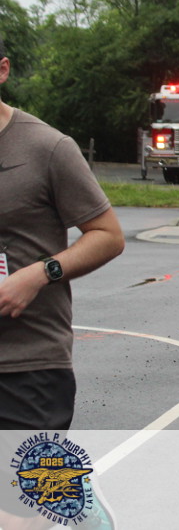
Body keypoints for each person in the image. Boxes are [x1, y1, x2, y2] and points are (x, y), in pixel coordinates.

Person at [0, 35, 125, 528]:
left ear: (3, 70)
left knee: (20, 516)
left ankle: (80, 508)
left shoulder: (47, 147)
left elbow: (108, 236)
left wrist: (40, 273)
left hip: (29, 363)